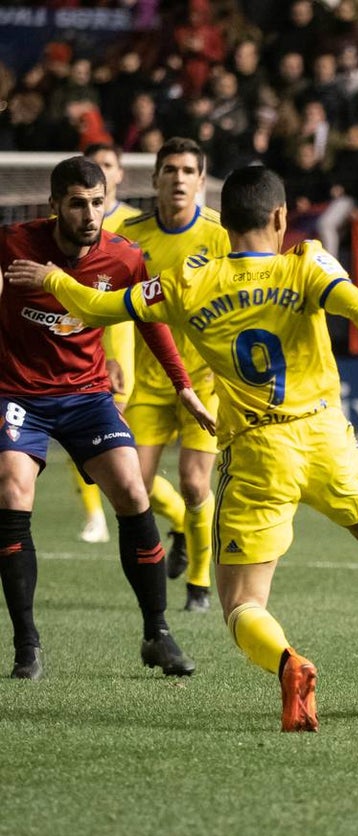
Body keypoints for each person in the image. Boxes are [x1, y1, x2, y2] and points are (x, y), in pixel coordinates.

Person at [9, 165, 358, 733]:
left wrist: (54, 280)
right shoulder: (307, 264)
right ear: (280, 217)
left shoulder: (189, 282)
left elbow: (97, 308)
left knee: (242, 603)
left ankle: (289, 662)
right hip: (325, 438)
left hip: (257, 452)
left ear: (222, 222)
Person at [0, 156, 212, 681]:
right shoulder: (14, 244)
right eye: (78, 204)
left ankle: (157, 633)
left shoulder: (123, 256)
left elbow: (151, 321)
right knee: (12, 489)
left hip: (86, 394)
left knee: (134, 491)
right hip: (19, 393)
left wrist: (183, 384)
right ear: (55, 206)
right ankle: (27, 644)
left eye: (98, 202)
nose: (90, 214)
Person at [118, 138, 231, 612]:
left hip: (203, 380)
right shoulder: (127, 234)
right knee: (133, 487)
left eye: (188, 171)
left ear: (201, 181)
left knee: (194, 483)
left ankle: (199, 584)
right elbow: (111, 302)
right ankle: (183, 526)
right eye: (170, 170)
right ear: (155, 179)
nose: (179, 178)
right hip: (148, 381)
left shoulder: (220, 235)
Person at [69, 142, 145, 544]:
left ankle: (178, 519)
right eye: (94, 163)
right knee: (72, 427)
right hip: (74, 340)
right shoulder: (62, 221)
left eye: (108, 164)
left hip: (122, 343)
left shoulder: (134, 223)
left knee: (126, 454)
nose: (101, 168)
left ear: (119, 174)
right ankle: (94, 516)